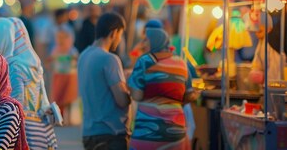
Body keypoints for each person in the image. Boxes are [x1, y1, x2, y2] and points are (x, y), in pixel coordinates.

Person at [0, 17, 58, 150]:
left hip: (25, 133)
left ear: (7, 39)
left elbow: (15, 106)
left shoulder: (14, 66)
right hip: (41, 130)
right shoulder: (31, 62)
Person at [128, 27, 197, 150]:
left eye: (146, 40)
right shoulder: (181, 63)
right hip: (175, 132)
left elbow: (137, 95)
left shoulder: (145, 61)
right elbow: (189, 95)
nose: (144, 44)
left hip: (148, 132)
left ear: (155, 41)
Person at [78, 12, 130, 150]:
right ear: (114, 33)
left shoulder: (83, 56)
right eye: (120, 35)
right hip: (110, 135)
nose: (119, 40)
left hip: (89, 134)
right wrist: (130, 86)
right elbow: (122, 100)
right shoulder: (110, 59)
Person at [50, 26, 78, 120]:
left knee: (69, 98)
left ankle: (69, 118)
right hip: (58, 76)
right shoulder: (56, 49)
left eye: (64, 37)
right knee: (59, 97)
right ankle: (60, 117)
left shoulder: (72, 50)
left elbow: (76, 59)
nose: (62, 40)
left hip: (70, 76)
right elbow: (51, 59)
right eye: (59, 37)